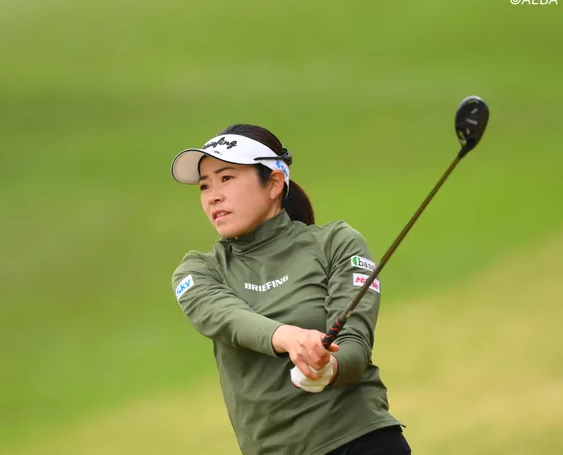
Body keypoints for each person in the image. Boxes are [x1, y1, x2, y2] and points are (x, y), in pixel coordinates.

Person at [169, 124, 411, 455]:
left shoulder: (336, 243)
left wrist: (329, 368)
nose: (213, 195)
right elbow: (227, 317)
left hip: (361, 441)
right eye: (204, 185)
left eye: (226, 178)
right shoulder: (199, 271)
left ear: (274, 183)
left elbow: (354, 345)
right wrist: (289, 338)